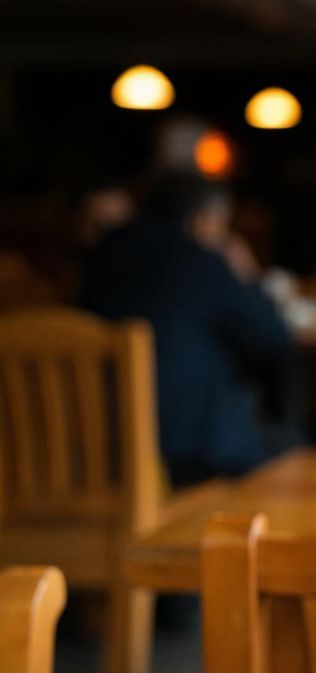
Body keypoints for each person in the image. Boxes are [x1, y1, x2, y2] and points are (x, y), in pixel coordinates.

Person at [81, 173, 292, 487]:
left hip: (100, 444)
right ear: (202, 221)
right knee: (289, 441)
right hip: (190, 455)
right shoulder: (200, 261)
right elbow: (273, 338)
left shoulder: (101, 255)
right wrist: (247, 275)